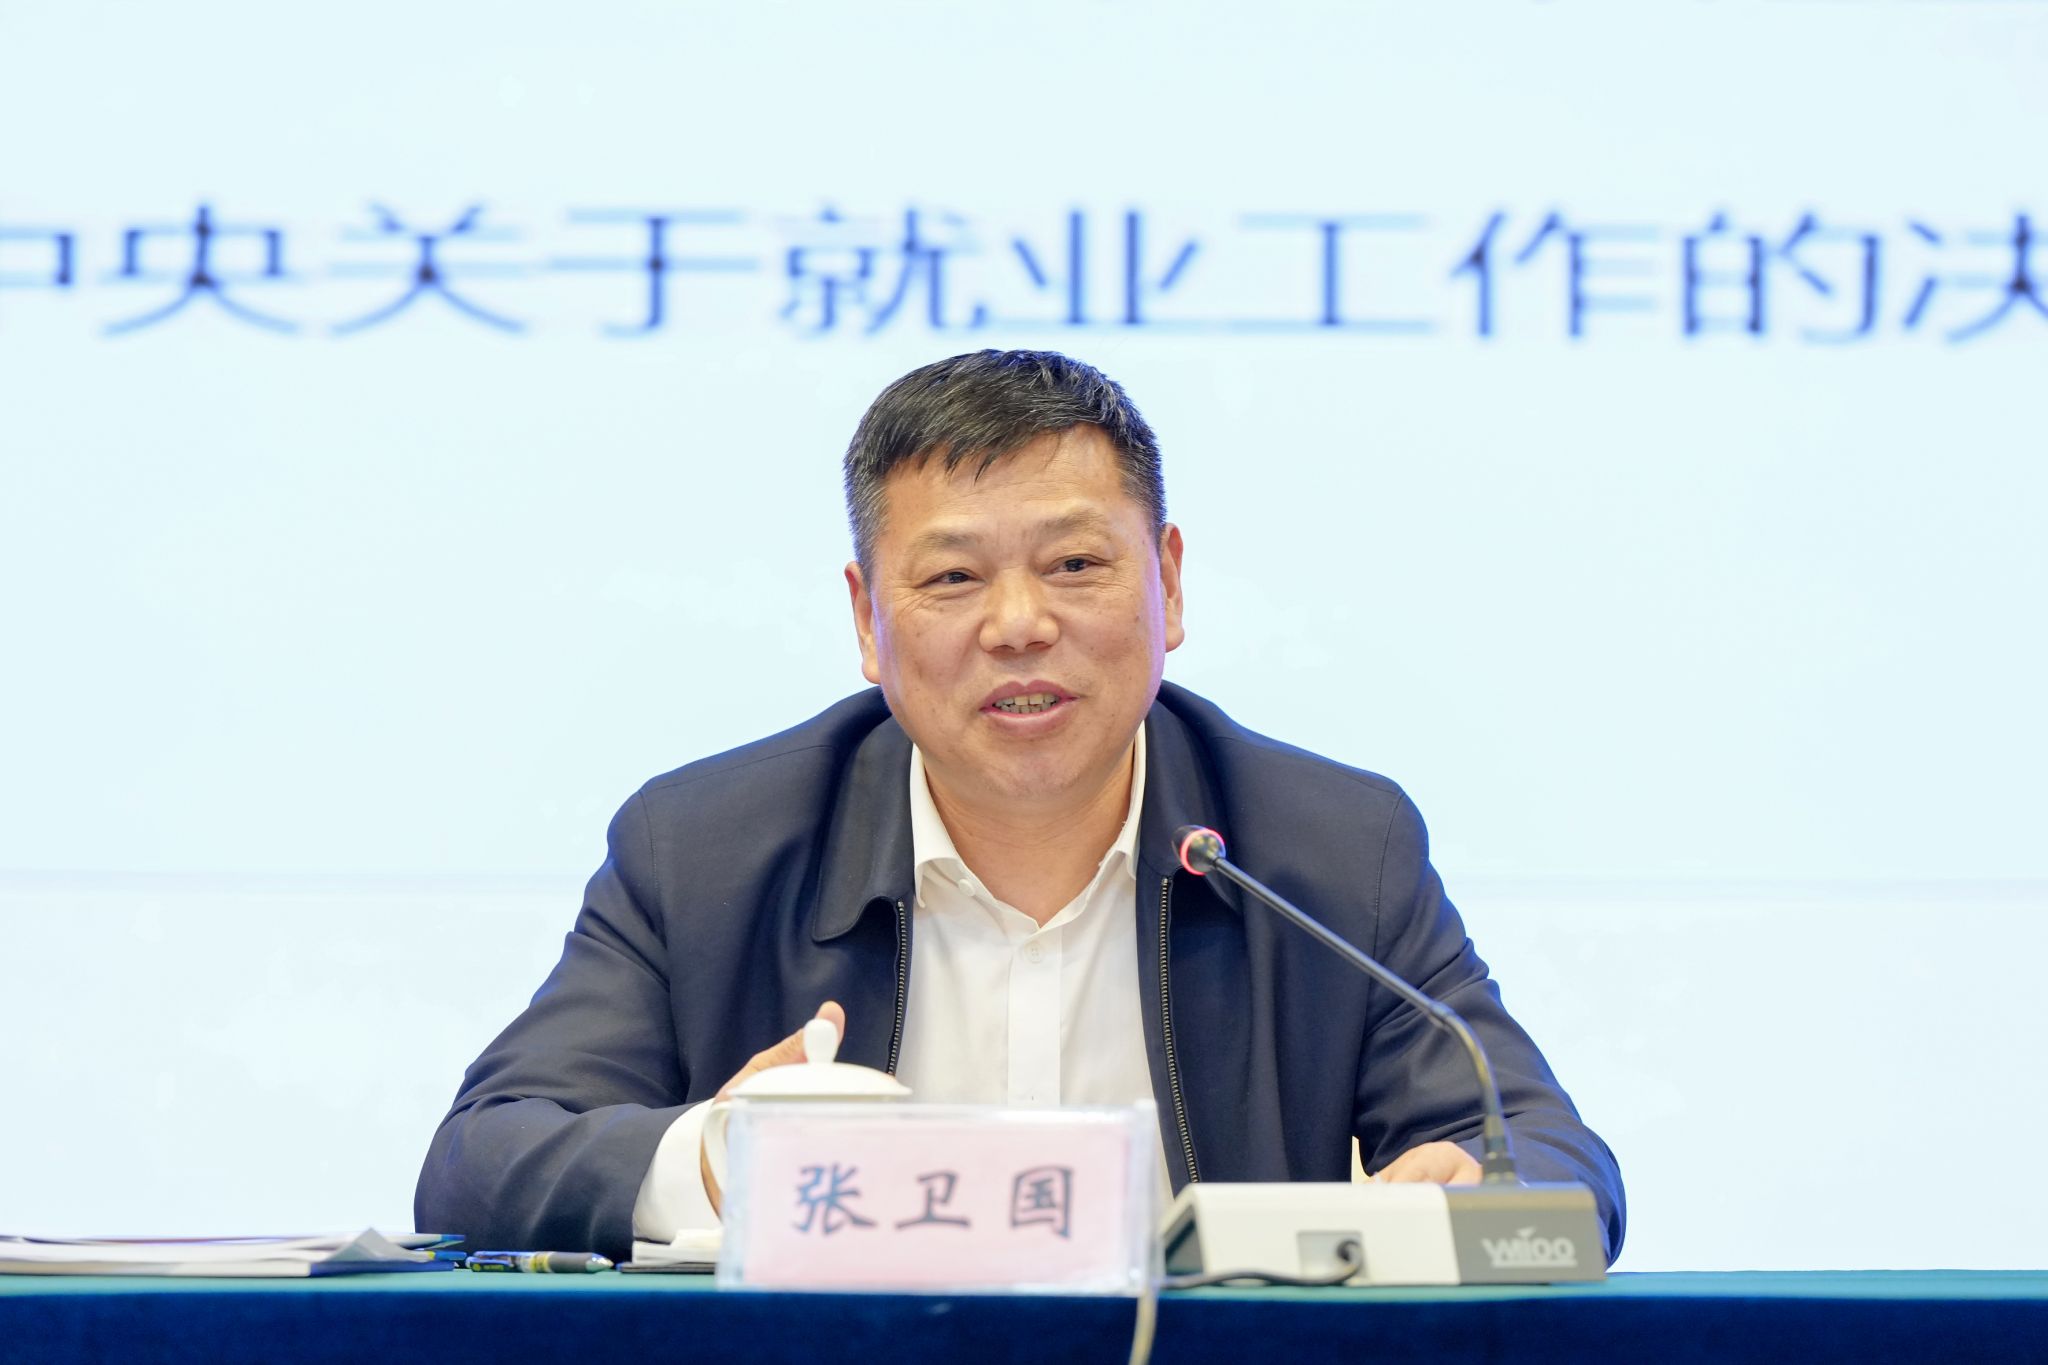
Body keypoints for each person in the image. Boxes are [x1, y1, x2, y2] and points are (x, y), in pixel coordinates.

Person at [415, 350, 1625, 1263]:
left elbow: (1553, 1165)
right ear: (866, 621)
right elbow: (479, 1160)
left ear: (1168, 585)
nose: (1018, 625)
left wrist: (1472, 1194)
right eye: (951, 577)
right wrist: (721, 1164)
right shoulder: (704, 849)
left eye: (1074, 565)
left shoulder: (1329, 847)